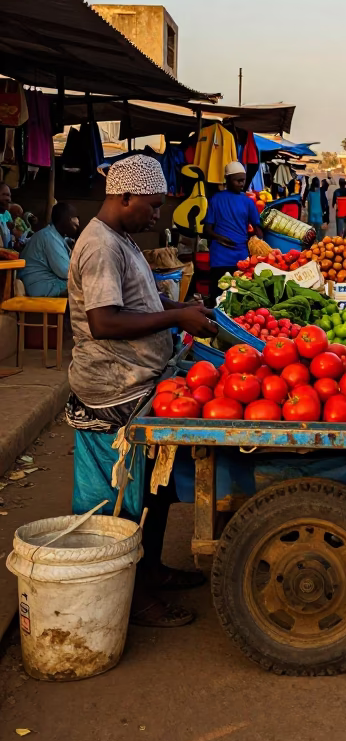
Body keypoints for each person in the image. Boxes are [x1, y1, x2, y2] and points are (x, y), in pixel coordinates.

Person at [66, 154, 218, 627]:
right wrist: (176, 318)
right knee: (127, 499)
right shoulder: (100, 247)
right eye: (152, 206)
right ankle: (133, 600)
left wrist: (182, 306)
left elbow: (139, 301)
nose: (158, 215)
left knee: (158, 487)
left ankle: (150, 571)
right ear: (124, 197)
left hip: (138, 376)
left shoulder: (123, 239)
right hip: (114, 387)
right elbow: (104, 321)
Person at [204, 161, 262, 303]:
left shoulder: (247, 202)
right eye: (238, 180)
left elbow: (258, 230)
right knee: (217, 299)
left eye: (243, 180)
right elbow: (207, 230)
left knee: (238, 301)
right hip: (220, 258)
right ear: (228, 180)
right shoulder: (216, 199)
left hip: (241, 258)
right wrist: (221, 239)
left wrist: (258, 248)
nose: (242, 184)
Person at [18, 202, 79, 297]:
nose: (77, 221)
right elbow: (66, 272)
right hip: (40, 286)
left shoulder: (54, 235)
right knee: (84, 289)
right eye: (74, 217)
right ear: (65, 219)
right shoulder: (49, 237)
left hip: (44, 283)